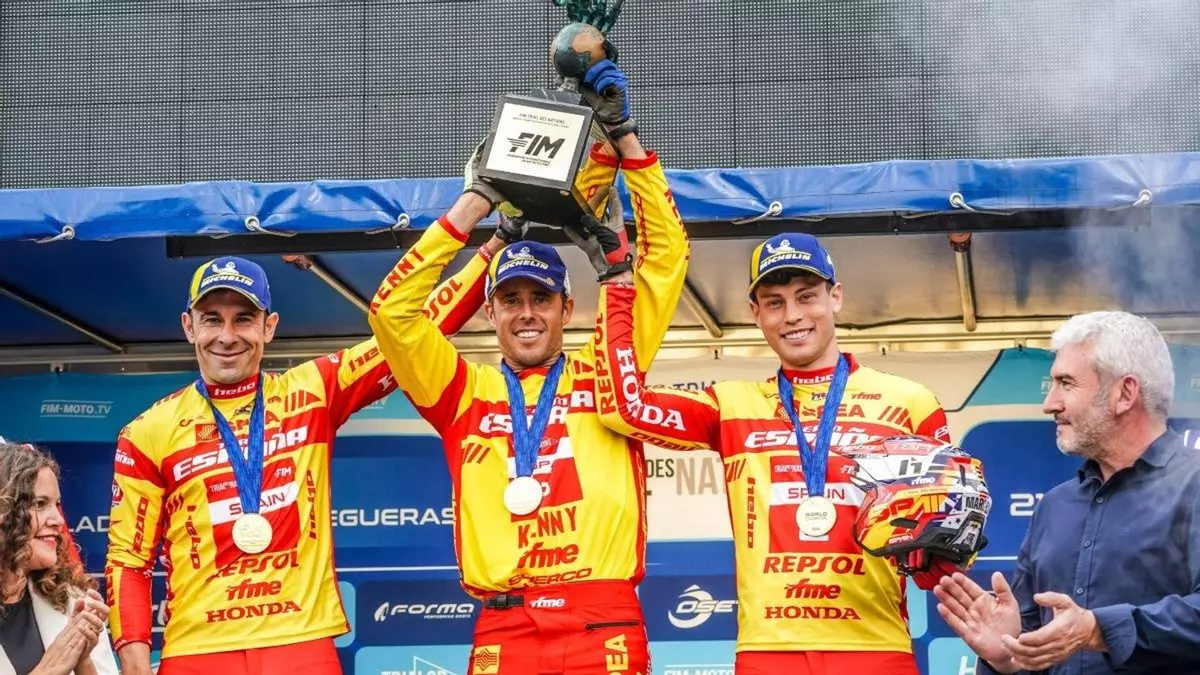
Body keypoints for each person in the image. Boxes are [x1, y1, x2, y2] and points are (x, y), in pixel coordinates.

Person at [366, 58, 690, 674]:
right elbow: (392, 314)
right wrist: (478, 204)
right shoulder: (462, 390)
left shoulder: (608, 368)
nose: (526, 314)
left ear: (567, 307)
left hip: (602, 621)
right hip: (505, 628)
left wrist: (626, 139)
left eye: (541, 298)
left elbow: (667, 260)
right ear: (489, 310)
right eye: (511, 299)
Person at [590, 233, 972, 675]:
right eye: (774, 302)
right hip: (768, 652)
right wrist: (618, 283)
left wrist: (934, 557)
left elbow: (955, 532)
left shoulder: (909, 403)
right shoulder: (732, 405)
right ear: (756, 313)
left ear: (835, 297)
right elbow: (623, 407)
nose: (792, 316)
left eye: (806, 296)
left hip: (875, 646)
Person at [104, 250, 491, 675]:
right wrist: (134, 661)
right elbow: (128, 560)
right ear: (188, 326)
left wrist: (488, 253)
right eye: (212, 319)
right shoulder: (147, 432)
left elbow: (409, 334)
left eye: (243, 319)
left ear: (269, 326)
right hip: (198, 651)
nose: (227, 336)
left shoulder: (311, 392)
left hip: (301, 644)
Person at [933, 311, 1200, 675]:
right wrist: (1006, 656)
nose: (1050, 403)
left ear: (1125, 393)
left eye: (1066, 383)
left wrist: (1098, 630)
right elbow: (1031, 647)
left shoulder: (1193, 483)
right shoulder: (1055, 506)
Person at [0, 442, 116, 675]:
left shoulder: (73, 601)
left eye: (57, 504)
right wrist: (49, 669)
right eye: (40, 504)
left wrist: (83, 662)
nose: (58, 520)